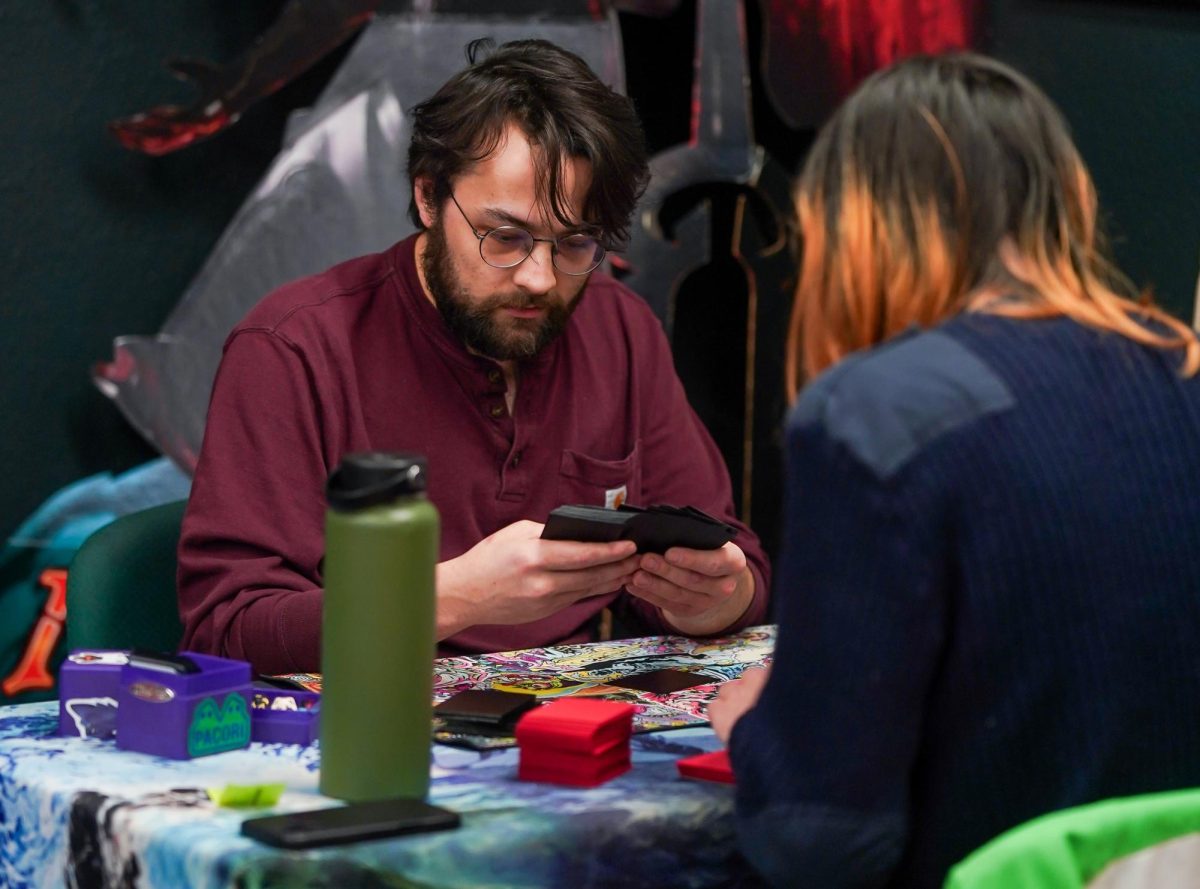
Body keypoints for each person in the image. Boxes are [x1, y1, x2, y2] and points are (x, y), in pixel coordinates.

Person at [708, 52, 1200, 889]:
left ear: (856, 225)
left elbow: (818, 841)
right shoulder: (1181, 377)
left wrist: (754, 729)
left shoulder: (873, 413)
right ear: (1063, 203)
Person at [177, 38, 770, 676]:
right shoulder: (294, 348)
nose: (540, 279)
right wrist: (451, 598)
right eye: (506, 238)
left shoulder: (619, 327)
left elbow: (740, 569)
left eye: (574, 244)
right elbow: (225, 631)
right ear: (429, 197)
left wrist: (711, 600)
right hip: (362, 724)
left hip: (566, 728)